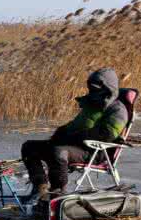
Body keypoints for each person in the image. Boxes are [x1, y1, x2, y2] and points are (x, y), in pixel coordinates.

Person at [21, 68, 129, 202]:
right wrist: (61, 132)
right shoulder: (91, 106)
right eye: (92, 88)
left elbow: (106, 134)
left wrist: (73, 137)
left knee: (58, 151)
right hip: (75, 146)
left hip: (95, 151)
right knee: (29, 147)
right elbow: (76, 125)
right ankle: (40, 187)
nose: (93, 91)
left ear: (108, 88)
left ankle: (57, 193)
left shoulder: (118, 109)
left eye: (97, 88)